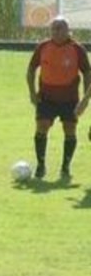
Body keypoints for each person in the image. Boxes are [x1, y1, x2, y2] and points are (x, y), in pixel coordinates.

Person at [28, 17, 90, 179]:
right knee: (42, 126)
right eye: (54, 28)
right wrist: (32, 92)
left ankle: (65, 167)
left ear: (68, 30)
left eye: (60, 28)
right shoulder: (43, 47)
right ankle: (41, 165)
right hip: (46, 97)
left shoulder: (77, 49)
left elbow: (87, 73)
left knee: (69, 129)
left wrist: (85, 99)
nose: (56, 31)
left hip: (69, 99)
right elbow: (31, 69)